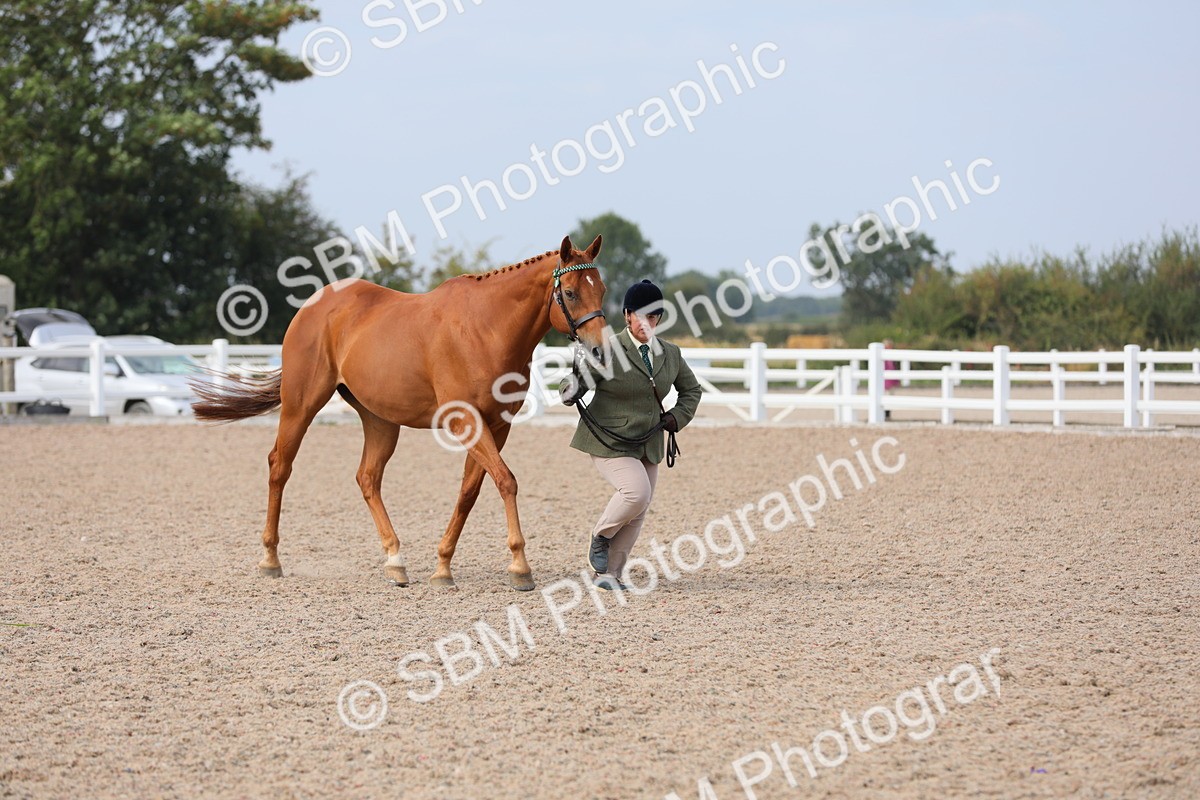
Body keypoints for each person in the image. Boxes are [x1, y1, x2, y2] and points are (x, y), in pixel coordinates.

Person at [563, 279, 703, 590]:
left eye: (652, 317)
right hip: (609, 439)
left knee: (640, 508)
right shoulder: (609, 350)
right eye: (639, 316)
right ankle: (600, 535)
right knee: (636, 493)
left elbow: (692, 390)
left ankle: (609, 575)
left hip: (648, 440)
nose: (646, 323)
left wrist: (676, 418)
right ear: (627, 316)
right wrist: (572, 389)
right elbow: (579, 382)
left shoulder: (671, 353)